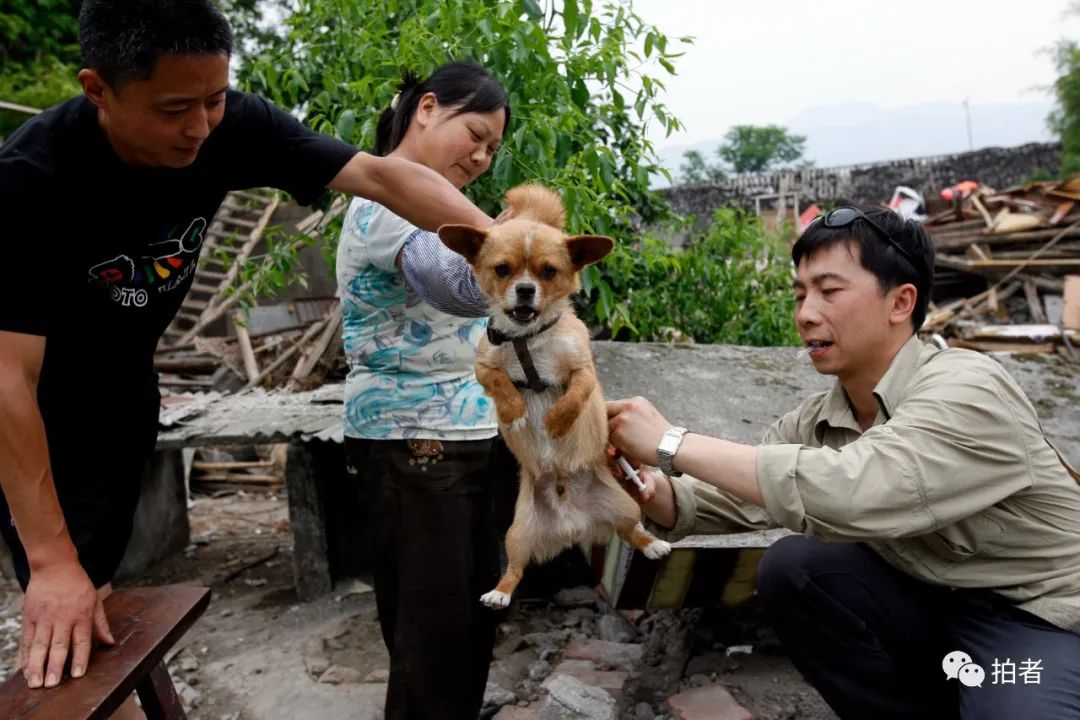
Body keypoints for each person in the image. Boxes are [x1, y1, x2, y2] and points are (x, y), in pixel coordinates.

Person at [0, 1, 497, 713]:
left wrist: (497, 240)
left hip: (125, 388)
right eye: (175, 109)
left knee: (99, 594)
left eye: (214, 98)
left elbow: (386, 177)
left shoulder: (231, 124)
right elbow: (8, 378)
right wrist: (47, 561)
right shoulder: (28, 178)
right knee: (63, 604)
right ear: (96, 89)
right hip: (37, 405)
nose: (201, 126)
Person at [606, 206, 1080, 719]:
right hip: (936, 607)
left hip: (1036, 619)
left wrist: (671, 442)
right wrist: (655, 492)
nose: (806, 313)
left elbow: (855, 488)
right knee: (795, 570)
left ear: (901, 302)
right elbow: (740, 493)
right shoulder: (824, 416)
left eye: (829, 292)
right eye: (800, 294)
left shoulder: (968, 389)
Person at [336, 62, 511, 720]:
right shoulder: (387, 200)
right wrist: (516, 240)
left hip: (468, 437)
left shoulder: (441, 207)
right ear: (428, 108)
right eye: (475, 134)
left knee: (476, 612)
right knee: (430, 631)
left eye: (493, 148)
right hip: (411, 444)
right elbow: (460, 287)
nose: (482, 156)